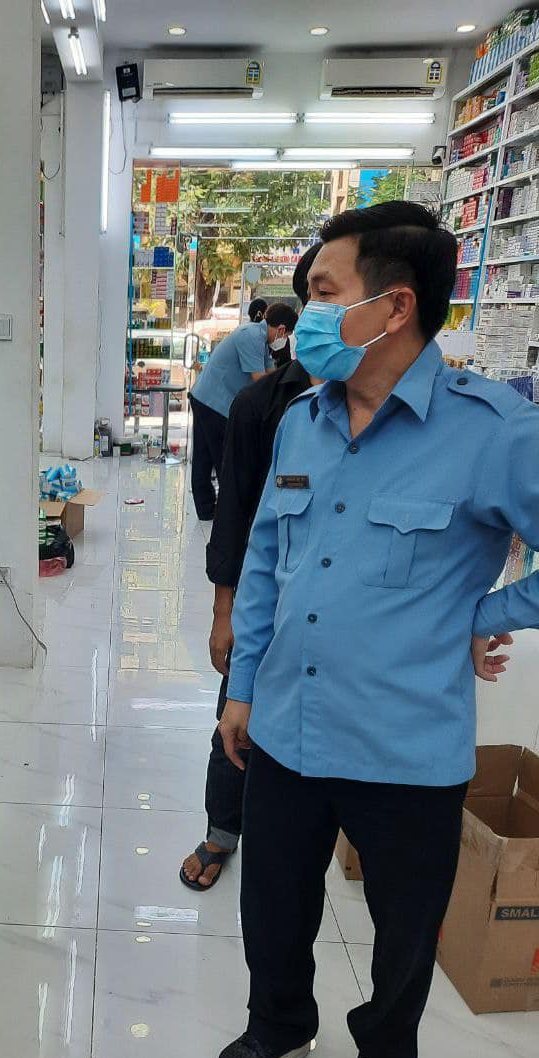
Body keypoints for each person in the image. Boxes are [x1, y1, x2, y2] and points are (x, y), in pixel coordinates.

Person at [212, 201, 539, 1058]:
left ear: (394, 307)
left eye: (324, 292)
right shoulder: (302, 421)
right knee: (274, 901)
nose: (304, 314)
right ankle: (279, 1023)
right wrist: (242, 688)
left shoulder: (493, 431)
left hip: (406, 740)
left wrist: (480, 614)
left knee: (404, 927)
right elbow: (268, 559)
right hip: (288, 720)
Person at [180, 246, 319, 891]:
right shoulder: (263, 406)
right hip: (267, 603)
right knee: (236, 718)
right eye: (319, 295)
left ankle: (309, 836)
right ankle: (222, 830)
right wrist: (223, 612)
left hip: (350, 619)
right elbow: (234, 515)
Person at [190, 302, 299, 521]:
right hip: (214, 401)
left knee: (204, 454)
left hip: (206, 396)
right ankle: (227, 512)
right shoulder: (250, 336)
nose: (285, 340)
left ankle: (207, 509)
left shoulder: (261, 339)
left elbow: (271, 373)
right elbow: (259, 379)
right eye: (287, 335)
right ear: (281, 329)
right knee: (223, 456)